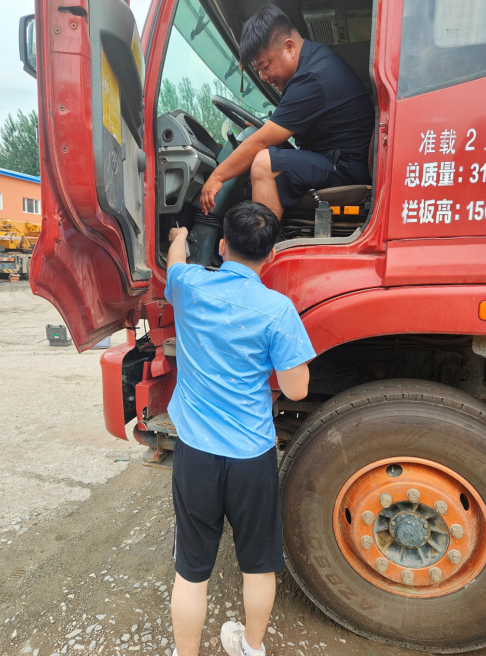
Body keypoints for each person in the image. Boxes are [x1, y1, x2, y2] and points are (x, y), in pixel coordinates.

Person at [164, 201, 316, 656]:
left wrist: (178, 239)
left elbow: (176, 265)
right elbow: (296, 390)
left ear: (223, 246)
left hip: (196, 455)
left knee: (191, 570)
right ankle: (250, 647)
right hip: (251, 457)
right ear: (270, 254)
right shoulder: (278, 310)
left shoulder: (188, 285)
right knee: (257, 565)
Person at [200, 4, 374, 220]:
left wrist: (217, 176)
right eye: (258, 71)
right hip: (339, 162)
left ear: (289, 47)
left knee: (264, 164)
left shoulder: (311, 78)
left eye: (265, 66)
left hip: (347, 169)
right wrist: (262, 133)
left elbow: (262, 142)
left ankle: (262, 241)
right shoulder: (314, 64)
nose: (263, 77)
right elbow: (269, 135)